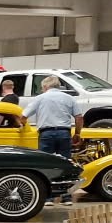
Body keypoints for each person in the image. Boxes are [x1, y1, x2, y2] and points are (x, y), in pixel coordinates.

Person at [25, 76, 83, 205]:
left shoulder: (40, 98)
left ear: (46, 87)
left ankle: (48, 198)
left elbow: (24, 116)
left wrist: (22, 125)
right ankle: (66, 197)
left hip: (46, 134)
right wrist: (77, 133)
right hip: (64, 133)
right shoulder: (69, 98)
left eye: (42, 88)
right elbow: (79, 118)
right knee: (65, 164)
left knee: (46, 164)